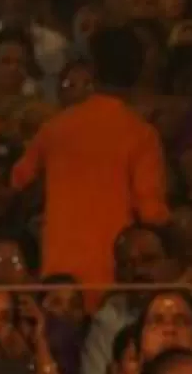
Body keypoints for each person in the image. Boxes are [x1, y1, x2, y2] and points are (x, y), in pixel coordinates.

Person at [10, 23, 169, 296]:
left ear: (92, 70)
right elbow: (151, 212)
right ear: (142, 69)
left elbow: (17, 182)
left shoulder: (55, 128)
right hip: (116, 276)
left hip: (58, 279)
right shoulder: (141, 133)